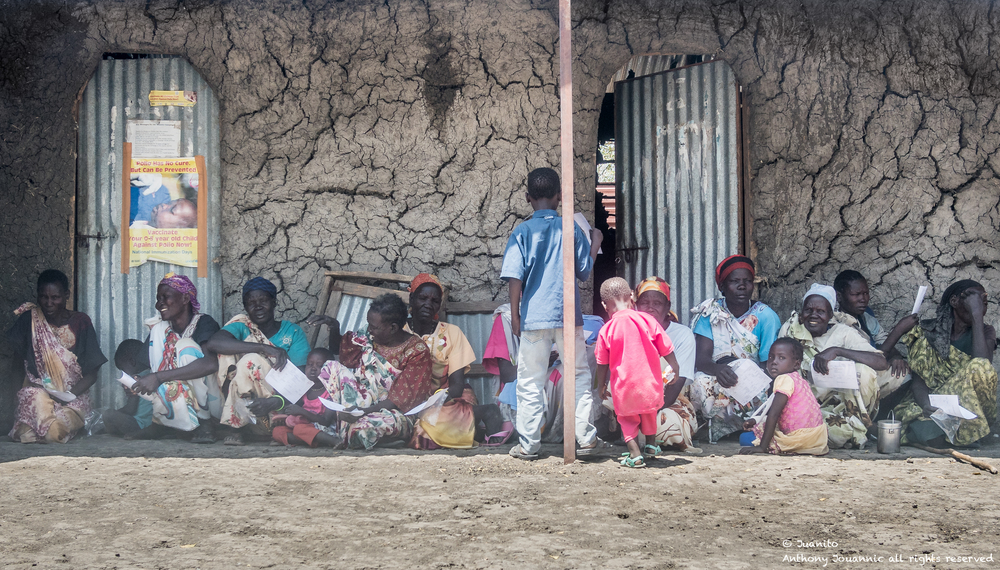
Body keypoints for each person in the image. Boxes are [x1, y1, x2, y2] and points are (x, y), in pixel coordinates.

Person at [501, 167, 603, 460]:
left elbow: (514, 278)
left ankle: (529, 445)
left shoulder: (521, 233)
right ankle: (585, 438)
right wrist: (594, 244)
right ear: (560, 197)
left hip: (534, 319)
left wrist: (516, 317)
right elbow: (584, 272)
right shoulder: (569, 228)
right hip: (568, 317)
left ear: (528, 198)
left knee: (530, 380)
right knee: (579, 376)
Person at [307, 293, 433, 450]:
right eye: (369, 324)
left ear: (393, 328)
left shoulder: (416, 351)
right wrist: (334, 327)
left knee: (362, 427)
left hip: (392, 412)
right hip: (362, 403)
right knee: (330, 367)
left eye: (374, 327)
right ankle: (358, 432)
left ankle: (367, 435)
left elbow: (400, 399)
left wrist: (363, 412)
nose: (369, 329)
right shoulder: (368, 335)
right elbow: (340, 351)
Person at [884, 280, 997, 447]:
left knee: (979, 367)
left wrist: (976, 317)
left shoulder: (985, 331)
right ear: (954, 301)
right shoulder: (928, 333)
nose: (980, 308)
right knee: (924, 428)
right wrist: (926, 405)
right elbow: (919, 379)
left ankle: (957, 432)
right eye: (974, 303)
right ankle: (954, 434)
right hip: (933, 402)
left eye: (983, 305)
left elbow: (982, 366)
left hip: (971, 408)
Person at [403, 273, 509, 449]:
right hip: (405, 398)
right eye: (422, 298)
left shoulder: (452, 333)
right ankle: (473, 427)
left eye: (435, 301)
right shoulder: (398, 330)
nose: (428, 304)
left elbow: (456, 386)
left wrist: (431, 404)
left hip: (445, 398)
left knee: (424, 431)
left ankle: (481, 414)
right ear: (411, 298)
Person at [779, 283, 888, 448]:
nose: (813, 316)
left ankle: (853, 425)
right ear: (802, 312)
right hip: (803, 405)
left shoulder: (843, 333)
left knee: (864, 372)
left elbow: (881, 362)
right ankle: (841, 432)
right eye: (808, 310)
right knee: (832, 435)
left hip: (840, 407)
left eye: (821, 312)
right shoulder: (791, 329)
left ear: (830, 315)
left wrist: (837, 351)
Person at [204, 277, 310, 445]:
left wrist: (276, 401)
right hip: (246, 412)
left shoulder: (292, 333)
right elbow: (214, 343)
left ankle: (243, 425)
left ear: (274, 302)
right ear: (245, 307)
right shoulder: (242, 326)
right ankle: (237, 424)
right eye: (251, 303)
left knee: (251, 360)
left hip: (277, 411)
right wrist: (263, 348)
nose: (258, 307)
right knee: (232, 354)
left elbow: (302, 380)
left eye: (263, 301)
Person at [7, 269, 107, 443]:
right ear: (37, 296)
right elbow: (17, 364)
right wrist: (15, 399)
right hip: (39, 394)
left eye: (55, 298)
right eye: (44, 297)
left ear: (66, 295)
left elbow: (92, 372)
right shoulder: (29, 321)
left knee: (52, 432)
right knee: (34, 399)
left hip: (73, 396)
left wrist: (68, 395)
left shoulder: (81, 322)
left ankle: (39, 429)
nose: (49, 303)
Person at [689, 255, 781, 442]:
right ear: (722, 287)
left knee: (764, 387)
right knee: (699, 382)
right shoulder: (711, 313)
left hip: (753, 377)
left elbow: (769, 364)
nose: (742, 286)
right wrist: (718, 370)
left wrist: (744, 370)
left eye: (747, 281)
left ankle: (748, 426)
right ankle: (710, 427)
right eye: (734, 281)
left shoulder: (766, 317)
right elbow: (702, 359)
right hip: (718, 374)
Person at [594, 278, 679, 468]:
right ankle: (651, 446)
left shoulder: (606, 329)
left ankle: (635, 454)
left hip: (624, 387)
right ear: (632, 295)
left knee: (626, 419)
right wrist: (675, 366)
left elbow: (602, 362)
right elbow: (665, 346)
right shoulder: (648, 320)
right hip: (650, 382)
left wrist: (602, 385)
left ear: (604, 305)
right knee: (649, 412)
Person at [128, 274, 222, 442]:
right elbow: (150, 369)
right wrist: (137, 381)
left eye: (166, 297)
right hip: (179, 402)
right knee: (158, 329)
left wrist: (157, 378)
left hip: (212, 403)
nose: (159, 304)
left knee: (185, 346)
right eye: (158, 299)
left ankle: (205, 423)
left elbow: (210, 364)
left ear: (185, 298)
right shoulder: (161, 330)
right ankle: (161, 422)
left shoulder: (204, 322)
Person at [634, 276, 700, 453]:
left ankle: (635, 435)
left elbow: (676, 386)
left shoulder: (682, 335)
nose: (650, 308)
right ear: (636, 306)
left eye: (657, 303)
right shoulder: (630, 332)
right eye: (645, 302)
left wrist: (648, 412)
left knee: (667, 424)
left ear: (667, 307)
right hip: (634, 402)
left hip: (670, 401)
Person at [740, 337, 829, 456]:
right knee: (760, 427)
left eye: (781, 358)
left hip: (798, 439)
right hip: (816, 438)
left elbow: (774, 414)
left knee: (744, 438)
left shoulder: (784, 379)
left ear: (796, 364)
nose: (774, 362)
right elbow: (786, 413)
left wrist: (762, 447)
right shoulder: (799, 380)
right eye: (771, 357)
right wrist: (755, 420)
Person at [834, 270, 911, 401]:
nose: (863, 299)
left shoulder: (866, 318)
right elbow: (872, 360)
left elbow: (883, 342)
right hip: (850, 380)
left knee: (905, 372)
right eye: (856, 294)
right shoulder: (836, 324)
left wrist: (896, 357)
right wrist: (899, 330)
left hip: (874, 371)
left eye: (865, 293)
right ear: (839, 296)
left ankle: (880, 416)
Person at [270, 348, 340, 448]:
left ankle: (333, 441)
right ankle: (313, 440)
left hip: (325, 429)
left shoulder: (331, 392)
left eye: (319, 366)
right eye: (309, 364)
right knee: (277, 431)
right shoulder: (304, 389)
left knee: (299, 430)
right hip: (305, 426)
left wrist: (302, 412)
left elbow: (326, 421)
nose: (313, 368)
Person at [103, 339, 154, 438]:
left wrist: (116, 413)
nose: (124, 374)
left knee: (108, 415)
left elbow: (131, 409)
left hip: (139, 426)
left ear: (132, 362)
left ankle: (108, 430)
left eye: (123, 369)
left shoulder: (136, 381)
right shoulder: (153, 376)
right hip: (155, 426)